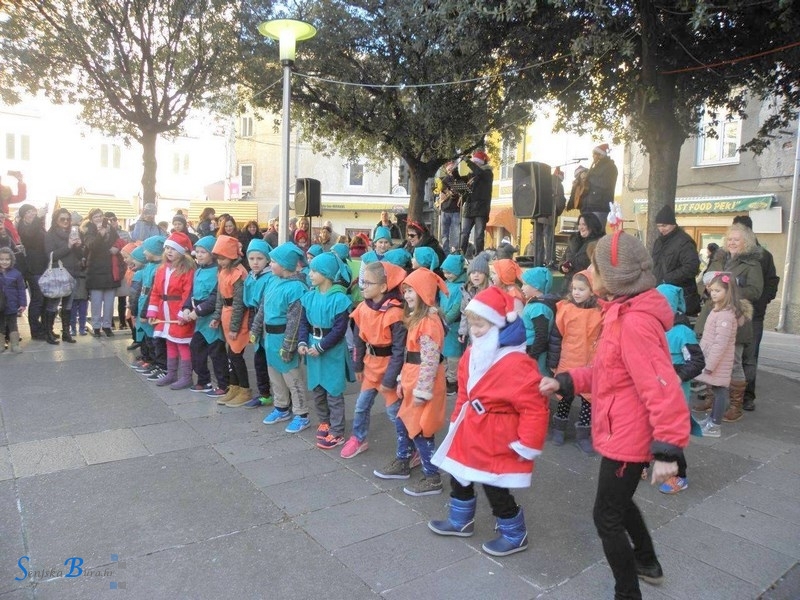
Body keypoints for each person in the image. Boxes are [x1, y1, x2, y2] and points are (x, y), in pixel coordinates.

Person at [540, 231, 689, 599]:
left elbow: (661, 386)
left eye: (595, 267)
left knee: (606, 517)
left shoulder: (634, 322)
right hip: (620, 427)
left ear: (614, 278)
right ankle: (648, 562)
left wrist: (668, 451)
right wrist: (565, 381)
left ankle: (628, 592)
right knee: (618, 504)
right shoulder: (620, 313)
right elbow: (608, 371)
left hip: (629, 437)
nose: (589, 271)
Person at [429, 286, 548, 557]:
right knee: (459, 474)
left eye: (480, 324)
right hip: (470, 426)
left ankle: (515, 533)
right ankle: (461, 520)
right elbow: (464, 390)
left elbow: (535, 407)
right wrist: (455, 419)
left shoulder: (518, 363)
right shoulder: (472, 354)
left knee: (495, 485)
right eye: (472, 324)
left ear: (497, 324)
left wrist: (528, 442)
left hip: (497, 433)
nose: (475, 330)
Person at [374, 268, 448, 497]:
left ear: (424, 293)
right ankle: (405, 462)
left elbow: (429, 361)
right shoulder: (420, 319)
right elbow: (412, 355)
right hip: (412, 379)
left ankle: (432, 476)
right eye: (405, 291)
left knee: (421, 430)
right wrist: (402, 381)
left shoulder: (428, 323)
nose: (406, 296)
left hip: (421, 384)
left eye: (411, 291)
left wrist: (422, 391)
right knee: (409, 424)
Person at [340, 261, 408, 459]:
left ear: (384, 287)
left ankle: (409, 447)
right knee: (361, 406)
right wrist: (358, 364)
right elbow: (359, 340)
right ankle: (358, 438)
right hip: (370, 367)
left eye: (368, 283)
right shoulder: (362, 308)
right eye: (362, 282)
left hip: (389, 370)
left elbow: (398, 351)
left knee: (394, 412)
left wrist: (389, 379)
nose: (363, 287)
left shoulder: (394, 312)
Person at [699, 223, 763, 422]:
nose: (732, 243)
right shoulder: (719, 257)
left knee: (734, 362)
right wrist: (707, 287)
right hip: (713, 312)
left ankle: (736, 405)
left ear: (746, 243)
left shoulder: (753, 265)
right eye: (729, 239)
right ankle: (711, 398)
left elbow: (756, 291)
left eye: (736, 239)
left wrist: (731, 290)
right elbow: (703, 282)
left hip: (735, 315)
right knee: (709, 356)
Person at [298, 252, 353, 449]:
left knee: (334, 392)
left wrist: (321, 347)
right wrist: (302, 342)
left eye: (314, 271)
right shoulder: (309, 297)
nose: (310, 274)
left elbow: (339, 330)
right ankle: (324, 421)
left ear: (327, 274)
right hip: (313, 346)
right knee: (318, 390)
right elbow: (303, 323)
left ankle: (337, 431)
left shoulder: (339, 299)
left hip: (331, 351)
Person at [655, 284, 705, 493]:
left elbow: (696, 361)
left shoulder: (682, 332)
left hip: (673, 396)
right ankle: (641, 463)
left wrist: (678, 375)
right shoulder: (652, 327)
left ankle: (679, 476)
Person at [547, 270, 602, 452]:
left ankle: (583, 435)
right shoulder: (565, 309)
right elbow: (556, 337)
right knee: (565, 397)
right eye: (574, 289)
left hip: (590, 362)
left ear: (592, 291)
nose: (576, 292)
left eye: (581, 289)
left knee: (589, 401)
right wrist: (553, 361)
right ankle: (559, 429)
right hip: (568, 360)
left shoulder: (600, 312)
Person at [258, 243, 311, 433]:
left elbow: (295, 321)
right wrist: (256, 329)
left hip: (284, 339)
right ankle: (281, 407)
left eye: (273, 261)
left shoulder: (297, 288)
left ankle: (301, 414)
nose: (270, 265)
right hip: (270, 338)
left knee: (293, 378)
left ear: (286, 264)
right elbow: (263, 308)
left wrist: (289, 345)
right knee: (275, 376)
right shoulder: (272, 281)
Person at [731, 215, 779, 412]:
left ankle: (747, 396)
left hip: (753, 313)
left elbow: (771, 282)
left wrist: (761, 302)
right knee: (727, 353)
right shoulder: (728, 253)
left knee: (749, 355)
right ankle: (723, 391)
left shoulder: (763, 256)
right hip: (729, 310)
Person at [146, 232, 196, 390]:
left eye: (173, 249)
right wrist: (152, 312)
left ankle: (187, 377)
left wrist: (184, 311)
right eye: (167, 248)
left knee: (182, 344)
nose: (169, 251)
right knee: (170, 343)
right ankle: (171, 373)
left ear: (181, 252)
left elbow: (188, 293)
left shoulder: (187, 270)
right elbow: (155, 292)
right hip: (164, 312)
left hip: (178, 311)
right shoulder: (161, 269)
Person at [694, 273, 742, 437]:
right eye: (712, 290)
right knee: (716, 390)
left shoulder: (725, 316)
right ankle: (711, 419)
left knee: (720, 391)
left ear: (728, 293)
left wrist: (709, 364)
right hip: (713, 359)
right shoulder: (718, 311)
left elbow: (720, 344)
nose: (713, 293)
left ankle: (715, 424)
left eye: (718, 291)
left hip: (718, 361)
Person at [183, 236, 229, 397]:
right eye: (198, 252)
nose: (199, 255)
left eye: (204, 252)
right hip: (199, 321)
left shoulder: (219, 272)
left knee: (217, 354)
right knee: (196, 349)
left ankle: (224, 384)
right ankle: (203, 380)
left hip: (212, 319)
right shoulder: (197, 270)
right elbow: (191, 293)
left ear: (212, 254)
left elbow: (215, 298)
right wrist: (186, 307)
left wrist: (199, 311)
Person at [210, 235, 251, 406]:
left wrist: (234, 327)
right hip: (227, 315)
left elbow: (239, 303)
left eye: (223, 257)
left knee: (236, 355)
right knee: (231, 354)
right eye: (218, 257)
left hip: (237, 317)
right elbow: (220, 296)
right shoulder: (223, 272)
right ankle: (234, 387)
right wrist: (216, 316)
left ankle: (245, 389)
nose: (220, 261)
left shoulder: (238, 273)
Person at [236, 239, 273, 408]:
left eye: (259, 258)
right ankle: (264, 393)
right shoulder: (251, 277)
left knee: (271, 361)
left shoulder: (270, 278)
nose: (255, 262)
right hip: (253, 316)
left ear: (267, 259)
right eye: (252, 259)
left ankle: (283, 396)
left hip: (266, 319)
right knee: (258, 360)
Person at [650, 205, 701, 316]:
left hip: (680, 297)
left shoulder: (684, 242)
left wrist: (666, 279)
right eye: (658, 226)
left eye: (664, 225)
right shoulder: (658, 242)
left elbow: (692, 267)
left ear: (673, 224)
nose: (661, 229)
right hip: (662, 294)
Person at [43, 208, 83, 345]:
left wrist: (78, 246)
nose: (66, 221)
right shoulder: (50, 235)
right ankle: (49, 333)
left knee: (68, 305)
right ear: (56, 220)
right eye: (62, 219)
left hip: (73, 273)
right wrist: (68, 246)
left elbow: (79, 255)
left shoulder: (73, 233)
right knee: (53, 304)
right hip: (58, 273)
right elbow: (50, 255)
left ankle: (66, 333)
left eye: (68, 219)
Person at [83, 208, 123, 337]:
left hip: (110, 268)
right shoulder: (88, 231)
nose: (99, 218)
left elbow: (119, 241)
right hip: (95, 270)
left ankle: (107, 325)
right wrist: (100, 234)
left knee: (109, 302)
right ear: (91, 220)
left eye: (100, 216)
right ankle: (96, 326)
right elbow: (92, 246)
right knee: (96, 301)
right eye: (95, 217)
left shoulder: (111, 229)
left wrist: (116, 248)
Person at [15, 204, 47, 340]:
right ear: (23, 215)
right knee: (37, 298)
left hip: (42, 265)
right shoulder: (23, 226)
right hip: (32, 267)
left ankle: (45, 328)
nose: (32, 214)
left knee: (45, 299)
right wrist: (38, 218)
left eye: (33, 211)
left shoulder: (37, 225)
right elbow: (28, 235)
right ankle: (35, 330)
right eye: (28, 212)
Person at [519, 267, 558, 378]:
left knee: (538, 376)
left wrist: (532, 356)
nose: (522, 288)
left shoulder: (538, 308)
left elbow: (541, 335)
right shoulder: (536, 303)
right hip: (533, 348)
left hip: (535, 350)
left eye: (525, 284)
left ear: (536, 286)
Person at [439, 254, 467, 395]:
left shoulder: (462, 287)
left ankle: (453, 381)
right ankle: (447, 378)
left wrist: (445, 320)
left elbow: (457, 308)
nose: (447, 275)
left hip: (453, 325)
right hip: (444, 324)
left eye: (449, 272)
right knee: (446, 353)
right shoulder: (445, 283)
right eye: (445, 272)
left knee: (453, 356)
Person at [459, 151, 493, 255]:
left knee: (479, 235)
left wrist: (467, 161)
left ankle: (479, 256)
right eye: (474, 163)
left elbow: (479, 172)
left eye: (476, 162)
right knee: (464, 233)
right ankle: (460, 255)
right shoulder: (471, 175)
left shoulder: (487, 173)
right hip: (469, 208)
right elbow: (468, 190)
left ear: (482, 162)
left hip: (481, 209)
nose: (475, 164)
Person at [559, 212, 605, 288]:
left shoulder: (599, 243)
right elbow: (563, 258)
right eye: (579, 224)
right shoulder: (573, 240)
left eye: (584, 224)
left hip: (587, 284)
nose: (581, 227)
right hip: (567, 284)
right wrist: (562, 267)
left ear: (592, 226)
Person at [457, 252, 491, 344]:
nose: (476, 275)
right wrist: (463, 331)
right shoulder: (466, 291)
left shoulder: (490, 291)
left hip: (486, 334)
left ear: (486, 275)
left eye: (480, 273)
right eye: (473, 272)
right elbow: (464, 313)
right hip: (472, 334)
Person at [0, 246, 27, 353]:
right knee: (0, 324)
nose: (4, 262)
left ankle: (15, 345)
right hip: (0, 305)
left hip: (12, 304)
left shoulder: (16, 274)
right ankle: (1, 345)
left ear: (11, 260)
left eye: (7, 259)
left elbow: (21, 290)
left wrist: (23, 304)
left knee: (13, 324)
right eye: (1, 259)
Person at [435, 162, 466, 254]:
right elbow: (440, 191)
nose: (450, 171)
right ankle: (445, 252)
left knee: (456, 234)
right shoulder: (444, 180)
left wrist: (456, 193)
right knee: (444, 233)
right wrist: (445, 193)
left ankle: (454, 252)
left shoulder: (459, 180)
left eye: (452, 169)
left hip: (456, 210)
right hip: (445, 210)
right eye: (449, 170)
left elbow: (463, 193)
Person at [584, 144, 618, 225]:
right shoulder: (597, 167)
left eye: (594, 154)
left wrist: (589, 177)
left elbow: (605, 184)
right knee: (589, 233)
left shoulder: (610, 167)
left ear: (600, 155)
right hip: (591, 206)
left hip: (600, 206)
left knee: (597, 232)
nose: (592, 156)